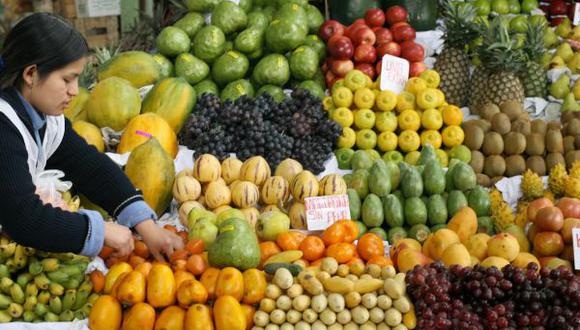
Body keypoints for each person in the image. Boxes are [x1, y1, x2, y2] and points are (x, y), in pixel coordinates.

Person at [0, 13, 184, 260]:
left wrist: (144, 222)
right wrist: (98, 230)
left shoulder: (45, 118)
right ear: (31, 74)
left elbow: (89, 166)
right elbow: (23, 218)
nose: (75, 91)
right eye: (67, 79)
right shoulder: (4, 126)